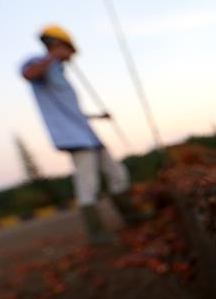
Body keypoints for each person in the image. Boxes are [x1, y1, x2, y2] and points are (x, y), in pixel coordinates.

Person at [21, 25, 144, 244]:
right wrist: (52, 56)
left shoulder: (59, 72)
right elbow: (28, 74)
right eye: (69, 50)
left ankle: (131, 215)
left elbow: (73, 112)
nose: (70, 56)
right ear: (59, 44)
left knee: (117, 173)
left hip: (87, 133)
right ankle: (96, 234)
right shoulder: (38, 62)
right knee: (88, 182)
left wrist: (98, 116)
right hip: (72, 136)